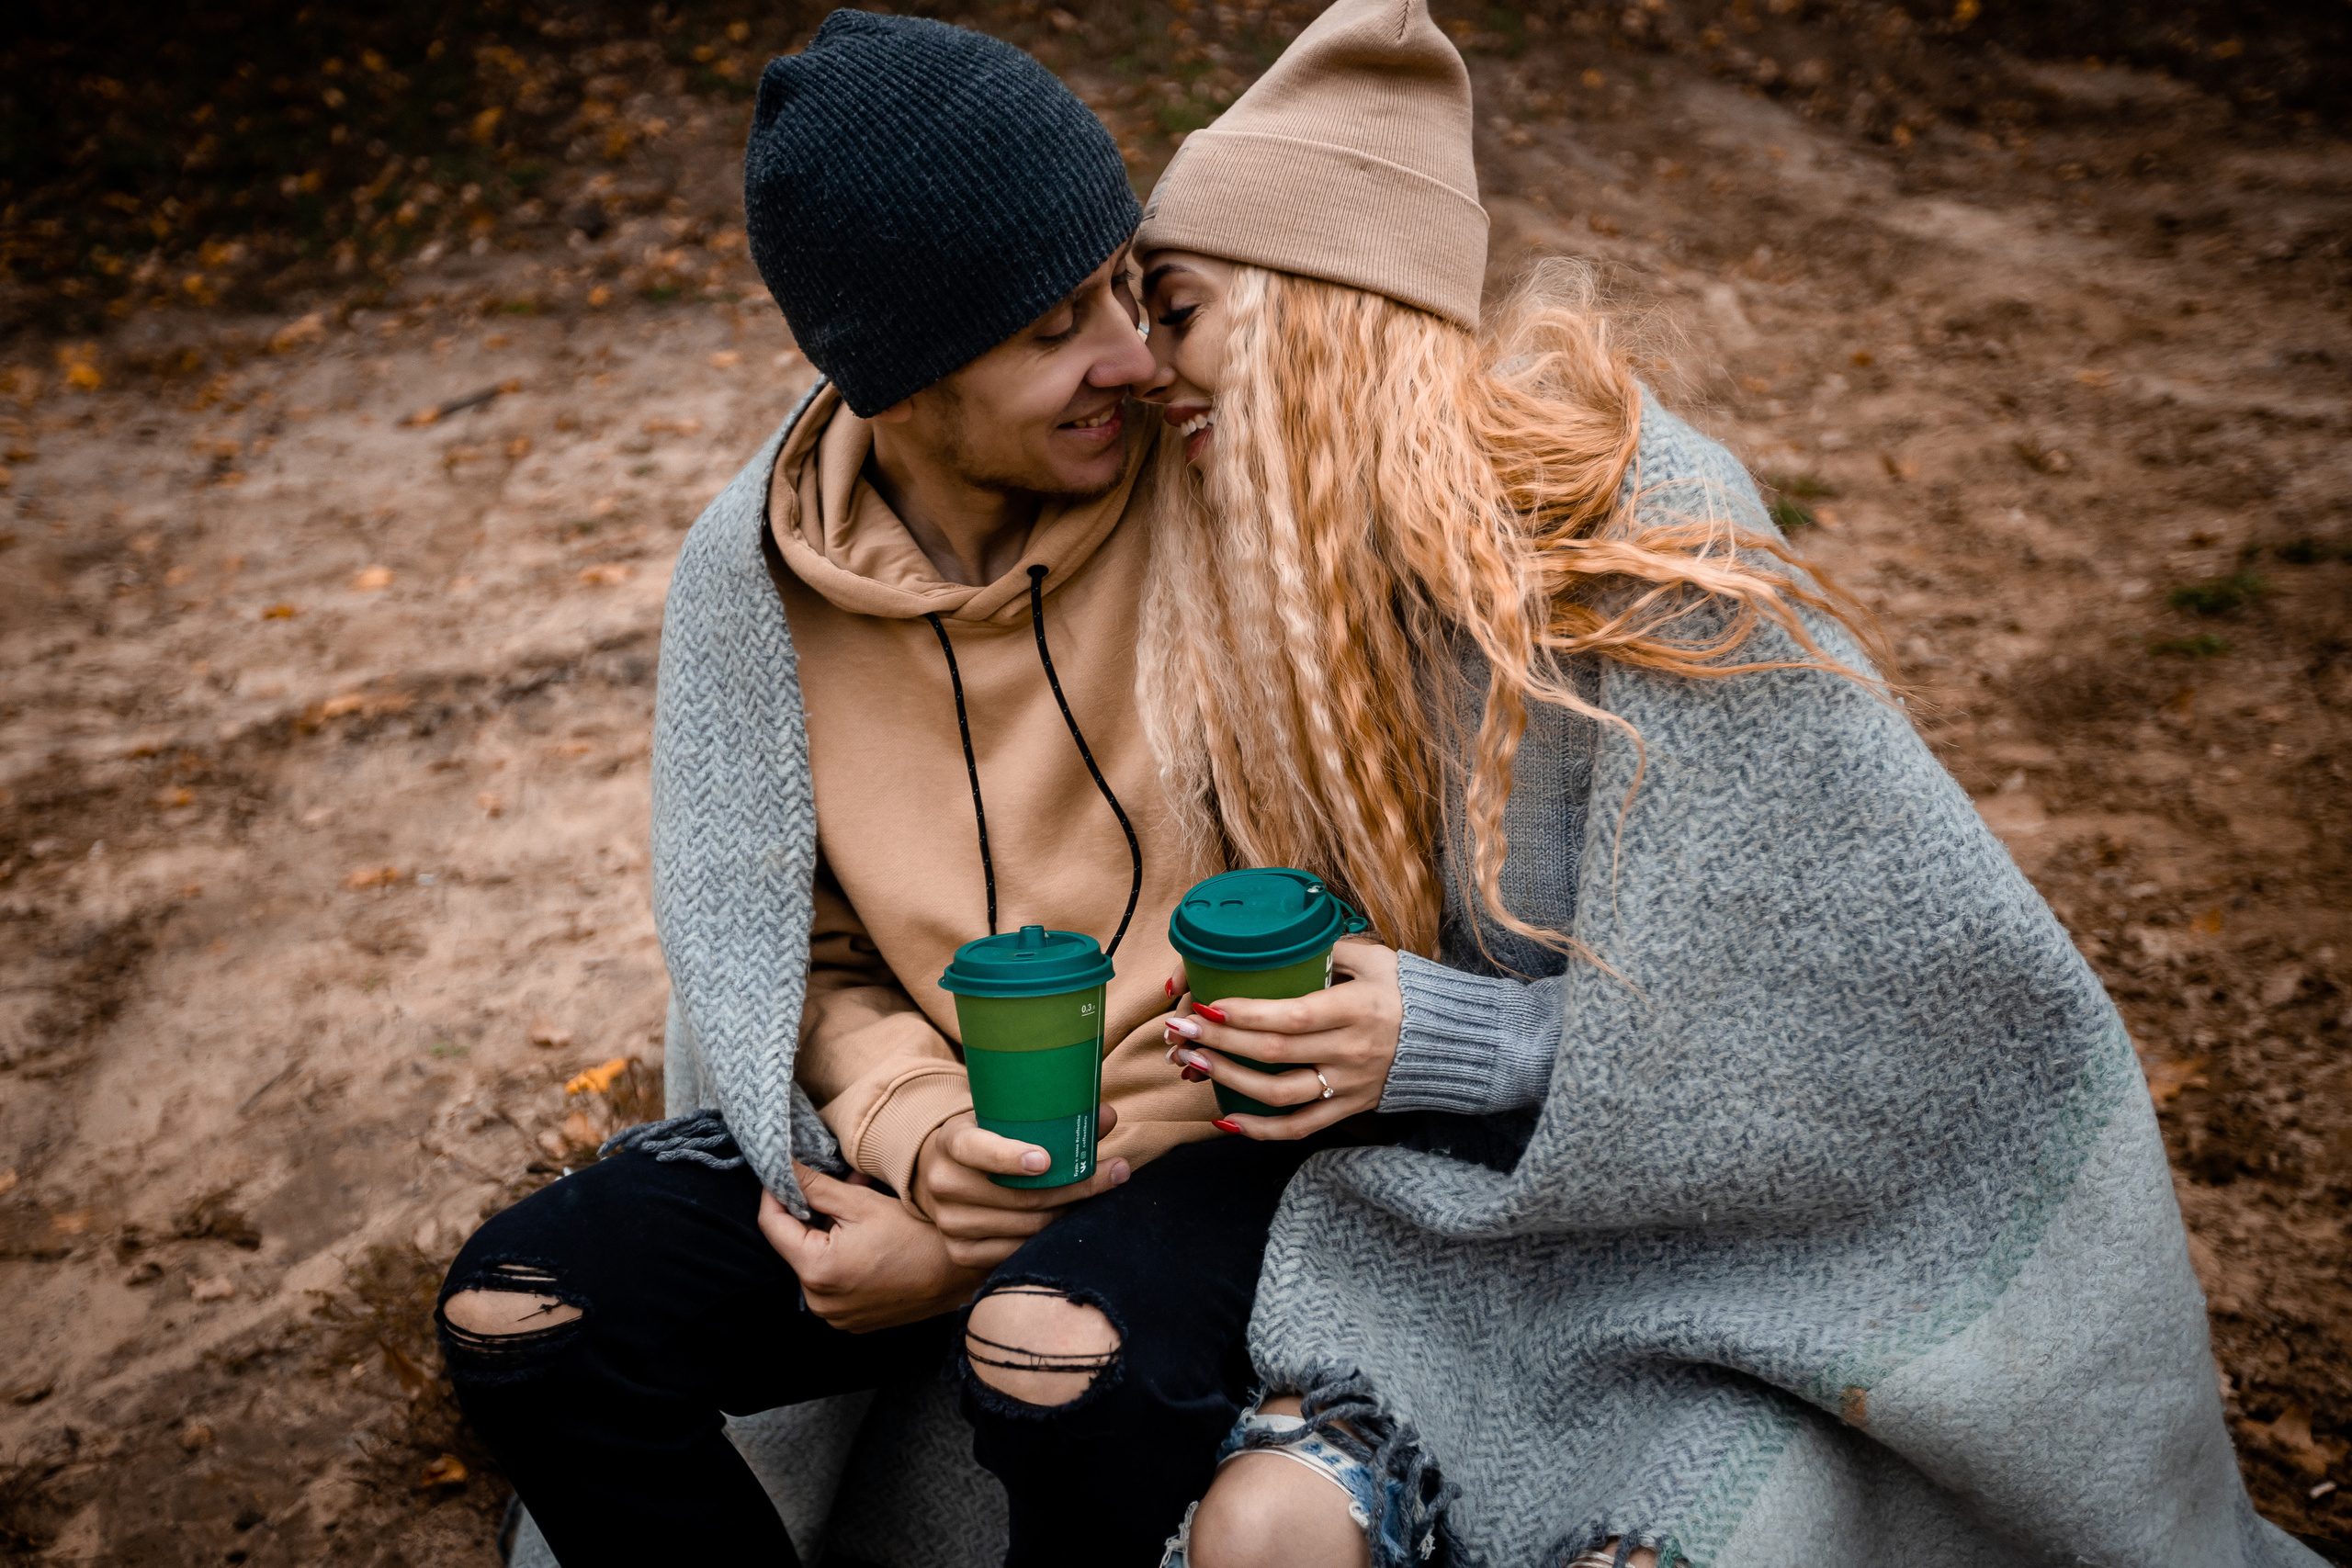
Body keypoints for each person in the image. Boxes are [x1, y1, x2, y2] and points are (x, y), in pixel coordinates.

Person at [1106, 3, 2328, 1568]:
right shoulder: (1307, 609)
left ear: (1310, 309)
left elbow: (1854, 1032)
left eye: (1182, 309)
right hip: (1459, 1255)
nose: (1147, 367)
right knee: (1261, 1533)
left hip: (1776, 1271)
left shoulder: (1641, 532)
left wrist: (1448, 1038)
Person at [432, 14, 1385, 1566]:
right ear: (897, 375)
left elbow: (1360, 896)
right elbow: (782, 957)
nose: (1133, 359)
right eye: (1053, 327)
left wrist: (960, 1252)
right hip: (942, 1135)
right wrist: (921, 1136)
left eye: (1128, 289)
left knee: (1049, 1355)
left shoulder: (1221, 490)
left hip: (1216, 1145)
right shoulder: (751, 583)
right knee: (523, 1316)